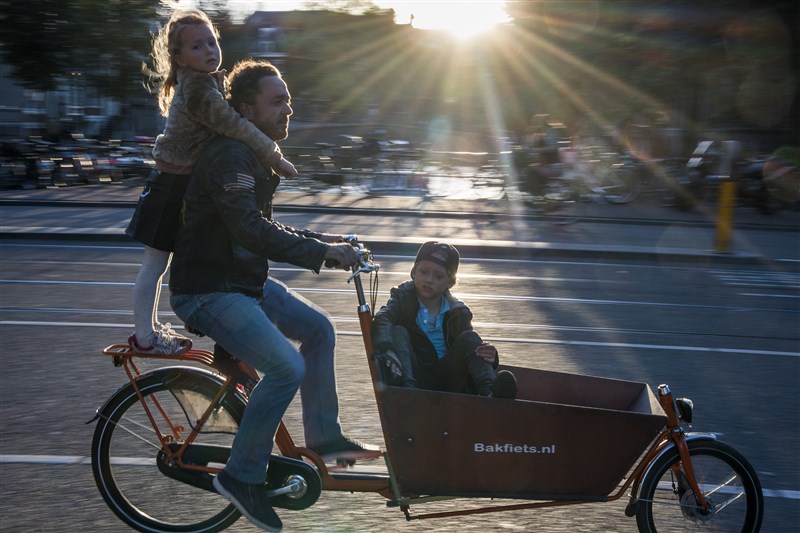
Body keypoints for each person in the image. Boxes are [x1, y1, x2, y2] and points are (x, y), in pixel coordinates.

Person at [168, 58, 379, 532]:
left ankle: (324, 440)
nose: (288, 109)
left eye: (289, 99)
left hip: (241, 281)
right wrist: (322, 255)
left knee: (319, 330)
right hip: (209, 289)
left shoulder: (251, 153)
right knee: (286, 367)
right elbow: (249, 229)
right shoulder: (232, 157)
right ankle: (241, 477)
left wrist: (327, 244)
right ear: (245, 108)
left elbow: (264, 226)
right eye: (277, 100)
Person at [125, 8, 298, 355]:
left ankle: (151, 329)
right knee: (155, 264)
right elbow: (234, 125)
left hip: (177, 182)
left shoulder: (204, 83)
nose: (209, 51)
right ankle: (144, 335)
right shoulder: (200, 90)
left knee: (162, 263)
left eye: (211, 42)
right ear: (178, 56)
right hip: (168, 186)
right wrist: (273, 156)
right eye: (197, 46)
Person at [371, 241, 517, 399]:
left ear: (450, 282)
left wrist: (491, 357)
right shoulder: (403, 298)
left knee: (470, 337)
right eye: (424, 272)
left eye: (438, 276)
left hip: (450, 378)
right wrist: (387, 349)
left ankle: (490, 394)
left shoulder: (458, 311)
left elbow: (468, 350)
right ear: (414, 272)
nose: (429, 280)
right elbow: (383, 317)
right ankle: (409, 395)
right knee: (398, 331)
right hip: (415, 374)